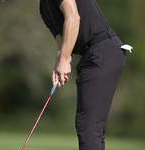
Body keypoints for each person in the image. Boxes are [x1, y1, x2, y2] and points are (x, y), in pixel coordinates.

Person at [39, 0, 127, 150]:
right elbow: (62, 41)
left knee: (88, 127)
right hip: (93, 55)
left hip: (102, 50)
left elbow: (73, 17)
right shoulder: (43, 8)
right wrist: (59, 63)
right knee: (88, 127)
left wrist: (65, 59)